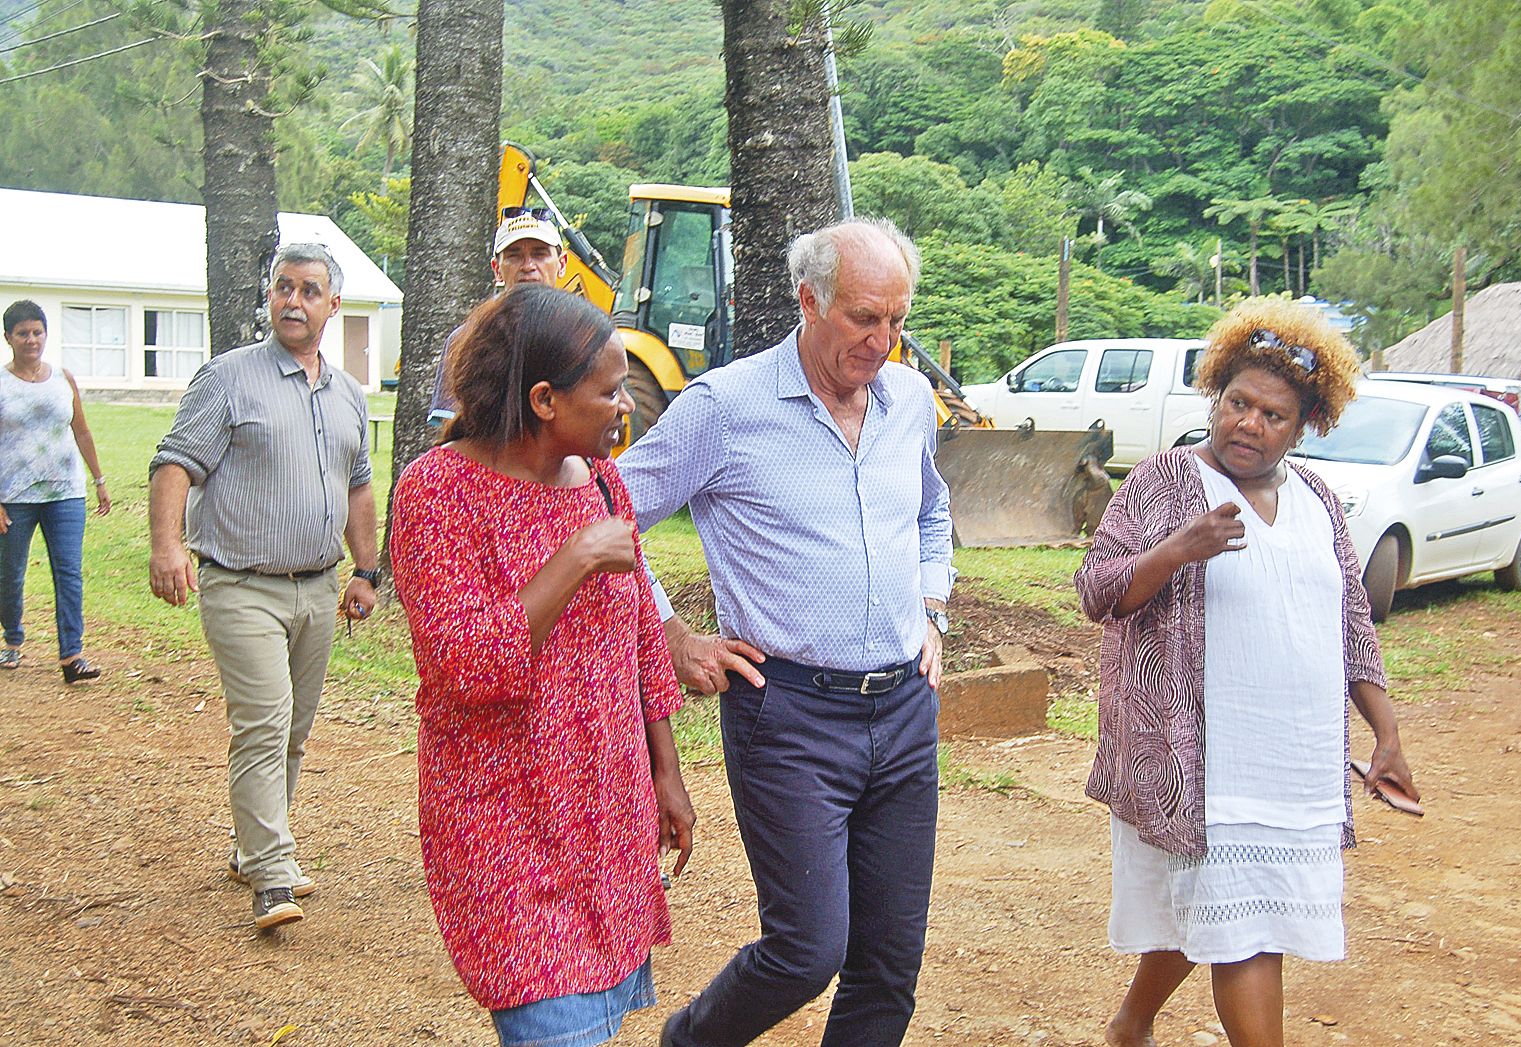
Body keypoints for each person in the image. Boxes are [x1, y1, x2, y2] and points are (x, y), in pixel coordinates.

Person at [618, 218, 954, 1047]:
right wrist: (670, 634)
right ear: (808, 300)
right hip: (789, 712)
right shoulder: (724, 407)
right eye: (863, 317)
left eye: (896, 319)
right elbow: (607, 516)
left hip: (903, 709)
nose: (882, 339)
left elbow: (931, 510)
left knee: (888, 963)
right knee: (807, 949)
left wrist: (933, 607)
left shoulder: (910, 400)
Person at [1074, 298, 1420, 1047]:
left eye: (1272, 414)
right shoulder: (1164, 482)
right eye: (1237, 402)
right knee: (1244, 933)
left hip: (1293, 761)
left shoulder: (1317, 501)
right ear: (1215, 394)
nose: (1248, 424)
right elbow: (1096, 590)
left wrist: (1386, 733)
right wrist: (1176, 549)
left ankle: (1130, 1023)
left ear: (1305, 425)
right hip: (1201, 759)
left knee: (1225, 910)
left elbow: (1352, 623)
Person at [388, 284, 694, 1047]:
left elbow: (641, 642)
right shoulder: (437, 492)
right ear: (545, 400)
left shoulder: (604, 483)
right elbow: (466, 664)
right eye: (609, 390)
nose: (624, 405)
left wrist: (666, 773)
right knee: (554, 1023)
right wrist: (576, 554)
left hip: (608, 811)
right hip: (504, 823)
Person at [147, 243, 380, 931]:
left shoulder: (348, 394)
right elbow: (174, 464)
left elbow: (358, 488)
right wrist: (166, 545)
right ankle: (272, 873)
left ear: (333, 305)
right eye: (283, 287)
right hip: (241, 585)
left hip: (318, 588)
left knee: (294, 733)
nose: (293, 301)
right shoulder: (227, 378)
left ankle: (248, 846)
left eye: (309, 290)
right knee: (265, 724)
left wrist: (366, 570)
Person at [1, 299, 112, 682]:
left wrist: (98, 480)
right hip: (14, 496)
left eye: (37, 332)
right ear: (8, 338)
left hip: (66, 492)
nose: (31, 340)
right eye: (23, 333)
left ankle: (72, 656)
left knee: (68, 572)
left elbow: (81, 430)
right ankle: (12, 638)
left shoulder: (63, 378)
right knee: (10, 574)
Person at [427, 207, 568, 426]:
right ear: (496, 269)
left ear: (562, 263)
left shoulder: (585, 336)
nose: (528, 266)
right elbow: (451, 427)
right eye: (514, 256)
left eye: (540, 254)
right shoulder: (466, 341)